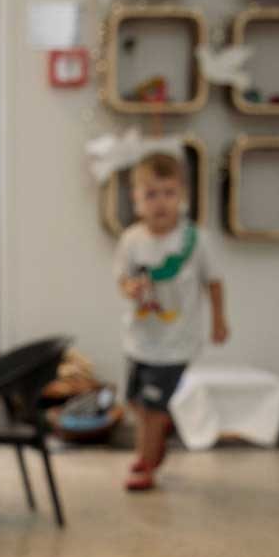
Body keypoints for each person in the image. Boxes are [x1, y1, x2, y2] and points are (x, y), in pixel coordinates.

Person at [114, 152, 227, 492]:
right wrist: (130, 287)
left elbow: (214, 282)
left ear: (182, 197)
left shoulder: (194, 241)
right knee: (137, 403)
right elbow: (122, 279)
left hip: (176, 341)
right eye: (151, 194)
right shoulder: (132, 241)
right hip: (139, 339)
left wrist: (219, 321)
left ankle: (146, 465)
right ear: (136, 200)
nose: (160, 202)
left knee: (151, 406)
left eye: (168, 193)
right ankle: (152, 443)